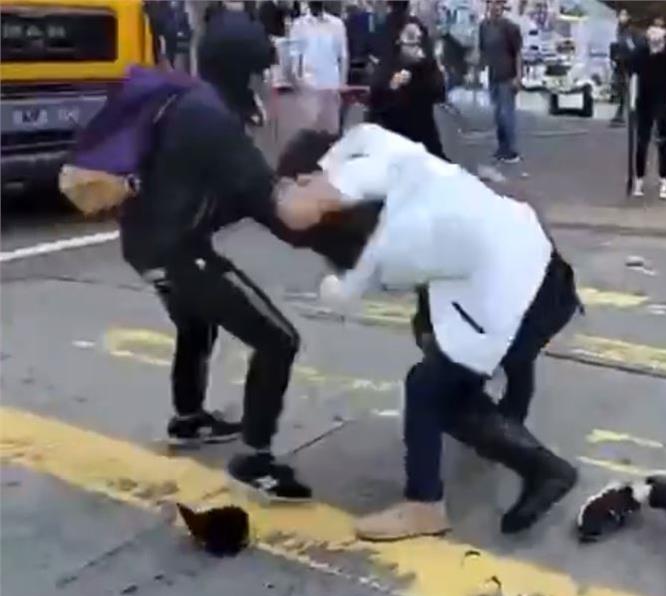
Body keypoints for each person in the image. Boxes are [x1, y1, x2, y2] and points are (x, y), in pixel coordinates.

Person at [272, 123, 581, 541]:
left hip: (516, 300)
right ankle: (508, 425)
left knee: (429, 390)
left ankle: (437, 502)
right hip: (547, 277)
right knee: (475, 355)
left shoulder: (384, 221)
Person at [92, 70, 310, 500]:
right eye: (260, 70)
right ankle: (255, 459)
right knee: (278, 340)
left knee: (196, 323)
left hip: (142, 244)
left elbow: (217, 192)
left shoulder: (184, 102)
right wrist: (319, 219)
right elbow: (263, 196)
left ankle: (189, 419)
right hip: (178, 252)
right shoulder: (212, 118)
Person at [367, 21, 447, 159]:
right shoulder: (388, 64)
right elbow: (375, 99)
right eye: (411, 41)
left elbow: (438, 93)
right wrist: (392, 86)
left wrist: (425, 68)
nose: (415, 47)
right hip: (392, 137)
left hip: (422, 135)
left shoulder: (427, 66)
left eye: (418, 41)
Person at [198, 1, 275, 127]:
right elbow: (266, 57)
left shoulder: (214, 21)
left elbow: (204, 56)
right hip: (245, 75)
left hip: (218, 77)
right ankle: (251, 109)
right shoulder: (253, 23)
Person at [630, 25, 666, 200]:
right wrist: (632, 101)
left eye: (658, 41)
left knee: (662, 141)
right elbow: (635, 76)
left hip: (663, 98)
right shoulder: (640, 52)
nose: (655, 45)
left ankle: (665, 179)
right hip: (644, 98)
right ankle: (639, 179)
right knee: (641, 141)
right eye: (652, 41)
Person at [290, 0, 348, 135]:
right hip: (309, 86)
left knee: (331, 133)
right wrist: (298, 83)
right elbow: (295, 57)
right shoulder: (299, 25)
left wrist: (342, 85)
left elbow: (343, 57)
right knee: (310, 132)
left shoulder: (337, 25)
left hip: (331, 86)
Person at [479, 0, 523, 163]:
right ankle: (501, 148)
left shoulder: (510, 28)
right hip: (493, 76)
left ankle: (511, 150)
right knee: (498, 115)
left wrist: (518, 77)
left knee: (506, 114)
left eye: (500, 3)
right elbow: (483, 51)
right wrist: (478, 70)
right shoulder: (484, 27)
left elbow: (518, 54)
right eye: (494, 3)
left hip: (508, 76)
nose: (496, 7)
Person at [609, 9, 638, 127]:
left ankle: (627, 114)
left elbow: (632, 47)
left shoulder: (631, 30)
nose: (621, 17)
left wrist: (628, 49)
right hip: (620, 62)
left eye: (624, 15)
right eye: (620, 15)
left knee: (629, 89)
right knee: (620, 88)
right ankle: (620, 113)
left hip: (629, 62)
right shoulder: (619, 29)